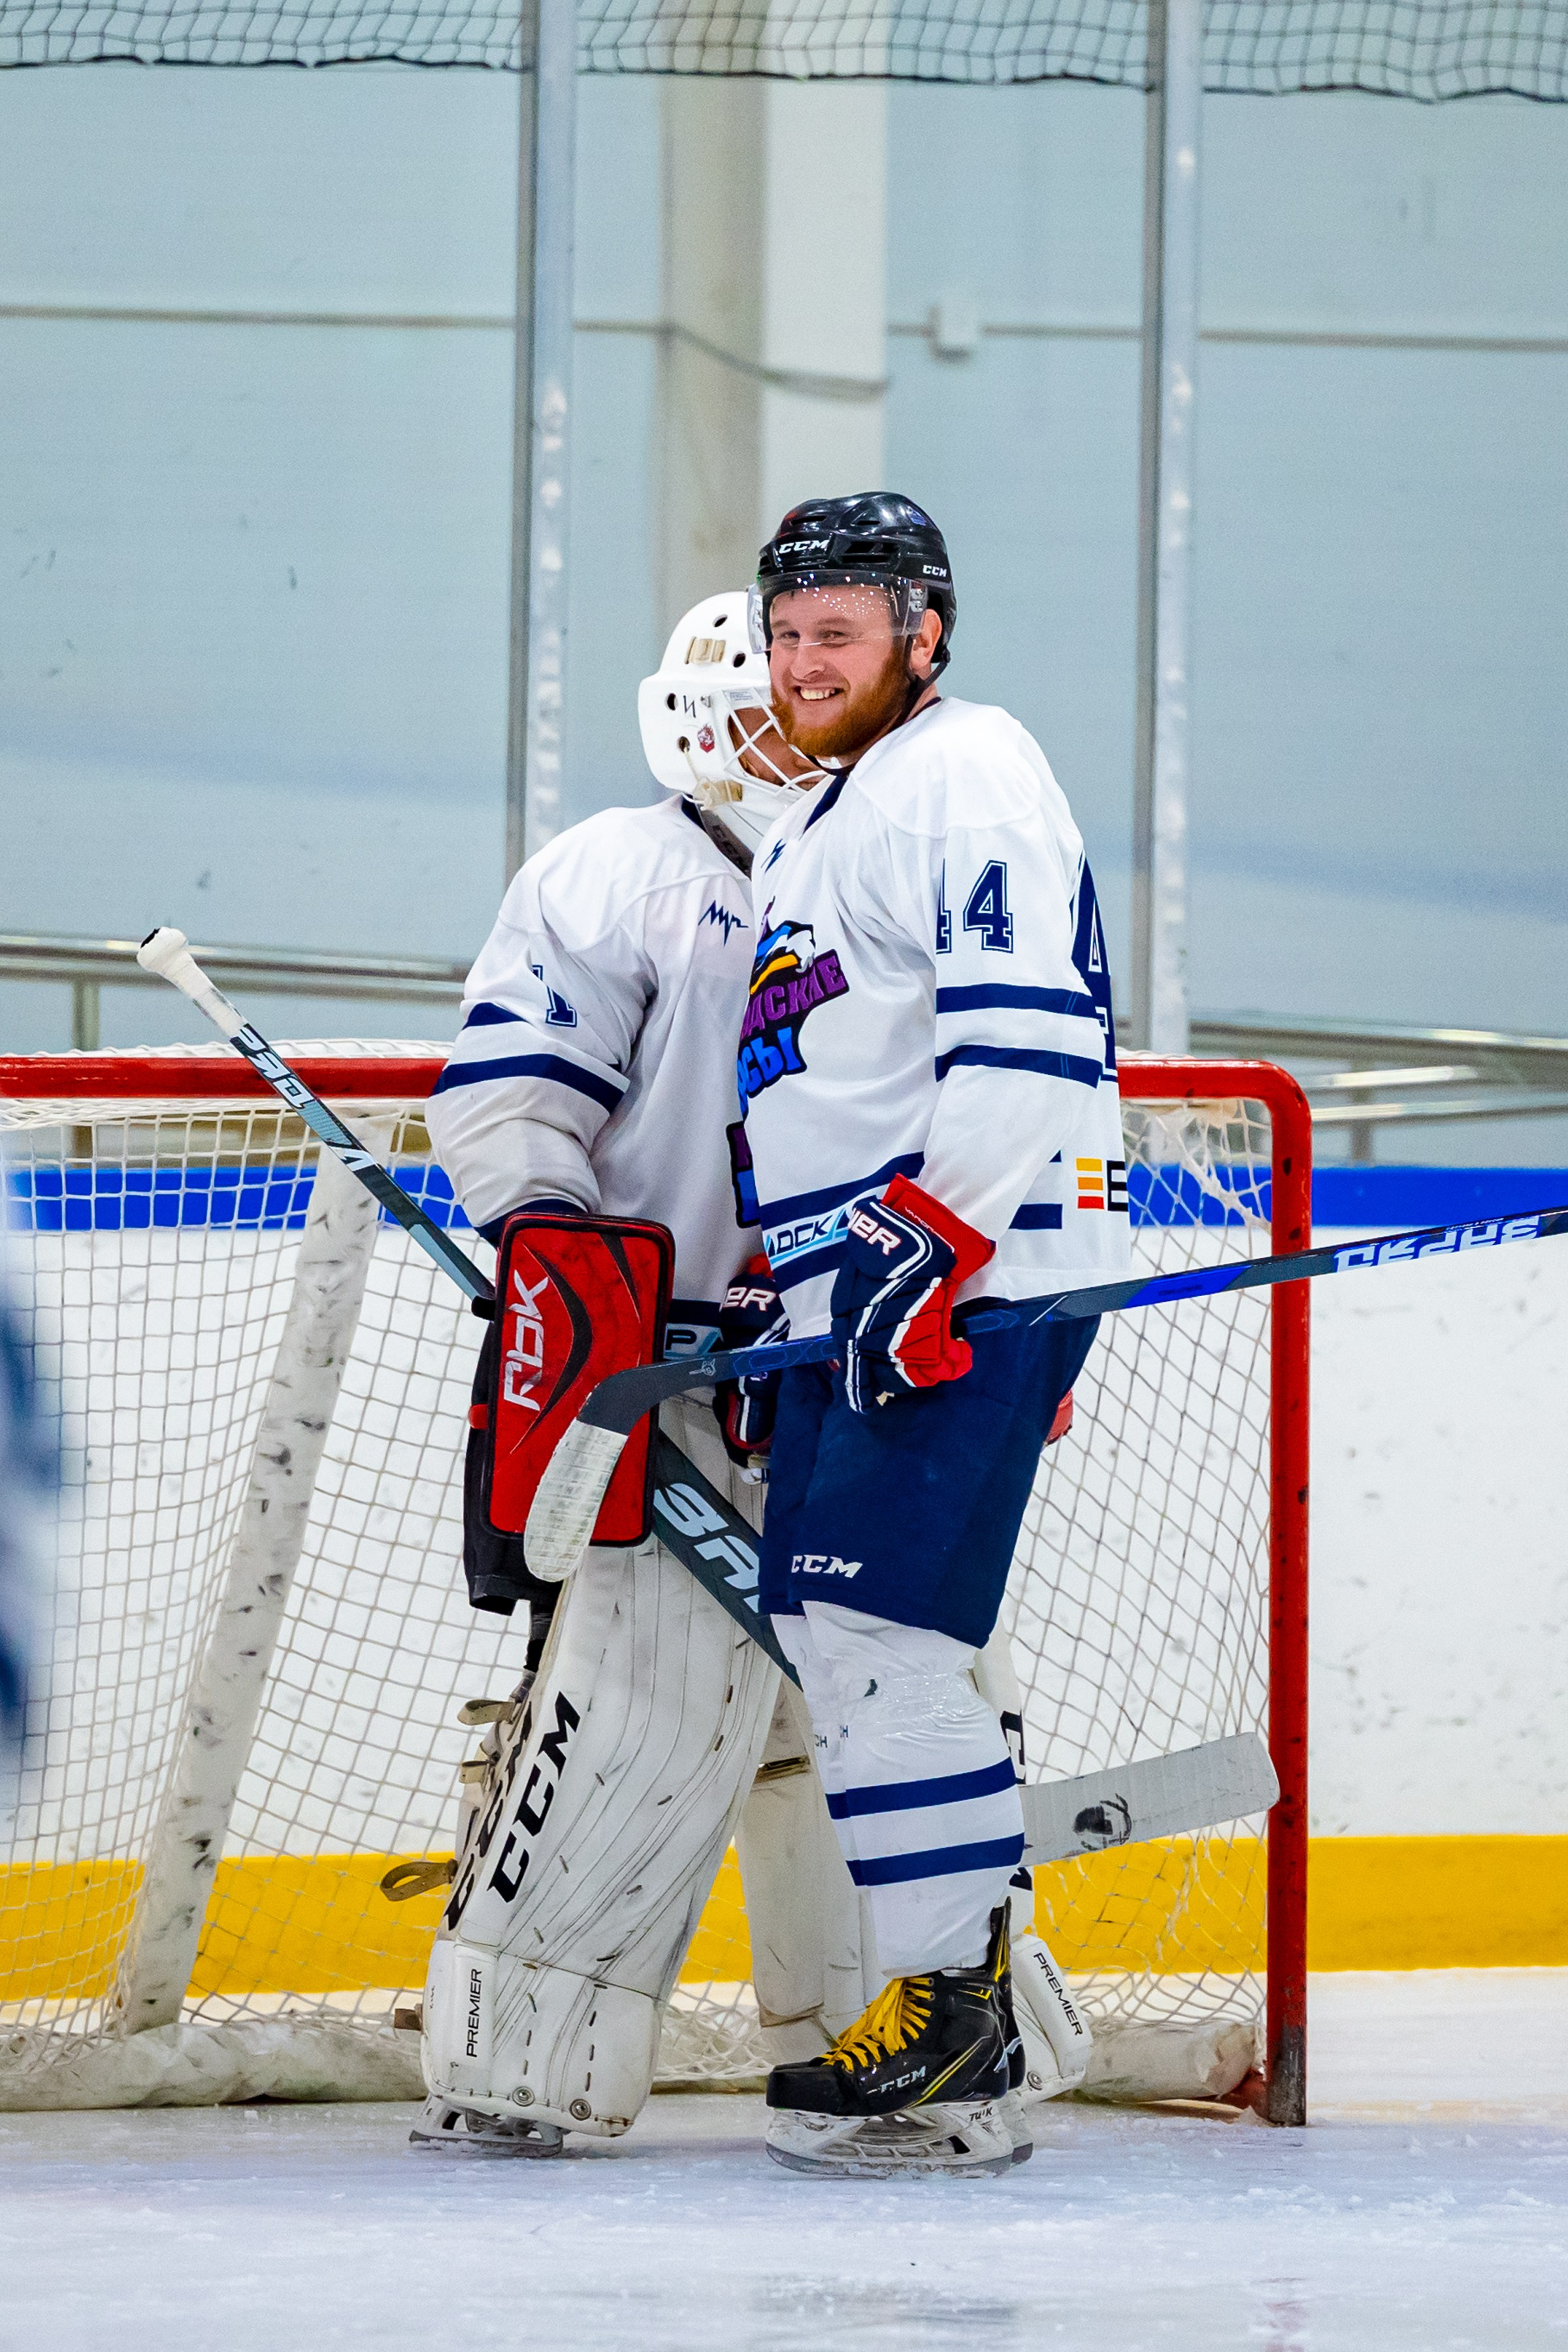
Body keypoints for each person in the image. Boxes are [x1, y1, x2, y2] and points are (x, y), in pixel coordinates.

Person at [411, 596, 883, 2152]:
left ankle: (900, 2045)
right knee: (632, 1716)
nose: (798, 731)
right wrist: (560, 1249)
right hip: (660, 1378)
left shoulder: (899, 866)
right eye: (768, 705)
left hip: (859, 1366)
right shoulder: (617, 875)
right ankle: (523, 2064)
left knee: (891, 1716)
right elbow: (514, 1097)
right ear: (693, 721)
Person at [737, 492, 1132, 2176]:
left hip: (960, 1273)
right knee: (839, 1640)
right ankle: (959, 1996)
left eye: (843, 627)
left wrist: (945, 1237)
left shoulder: (966, 767)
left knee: (878, 1636)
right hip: (880, 1276)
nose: (805, 657)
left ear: (926, 633)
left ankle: (949, 2003)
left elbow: (1031, 1047)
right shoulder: (828, 808)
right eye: (788, 628)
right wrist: (803, 1281)